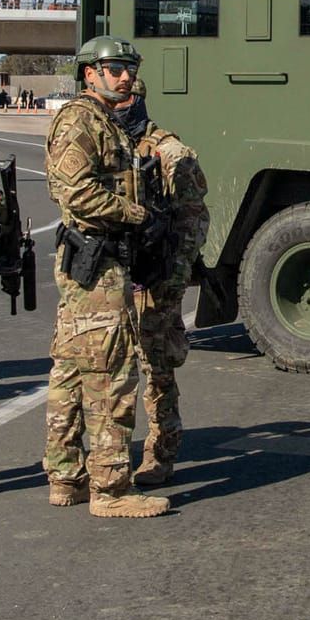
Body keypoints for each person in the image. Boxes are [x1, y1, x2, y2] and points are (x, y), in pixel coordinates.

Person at [43, 36, 169, 518]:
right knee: (109, 375)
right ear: (89, 73)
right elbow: (77, 195)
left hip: (98, 259)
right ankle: (111, 489)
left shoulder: (103, 121)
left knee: (73, 369)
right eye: (113, 68)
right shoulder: (80, 120)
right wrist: (137, 215)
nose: (124, 76)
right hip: (97, 262)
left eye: (128, 67)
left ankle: (66, 477)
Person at [120, 86, 209, 486]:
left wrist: (172, 279)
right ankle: (112, 454)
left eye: (125, 102)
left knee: (157, 370)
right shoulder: (107, 144)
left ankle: (161, 453)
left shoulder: (170, 152)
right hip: (114, 277)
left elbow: (193, 222)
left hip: (156, 279)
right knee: (110, 371)